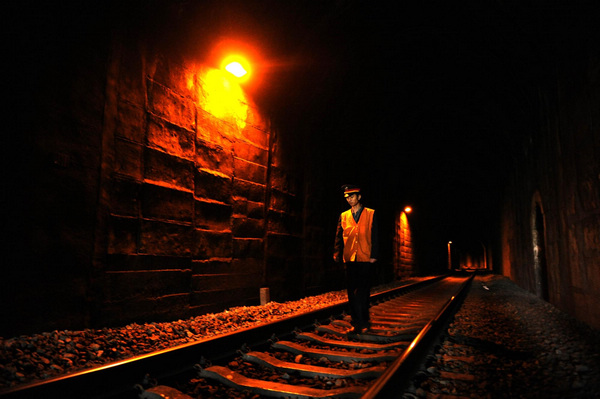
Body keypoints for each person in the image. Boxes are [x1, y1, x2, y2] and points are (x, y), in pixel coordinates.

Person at [333, 184, 378, 334]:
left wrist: (374, 255)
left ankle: (364, 321)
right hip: (350, 257)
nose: (350, 200)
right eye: (347, 198)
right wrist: (337, 253)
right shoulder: (343, 215)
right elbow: (339, 236)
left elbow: (375, 236)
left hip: (365, 257)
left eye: (352, 197)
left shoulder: (371, 213)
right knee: (351, 292)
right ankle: (356, 323)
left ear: (359, 197)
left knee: (364, 291)